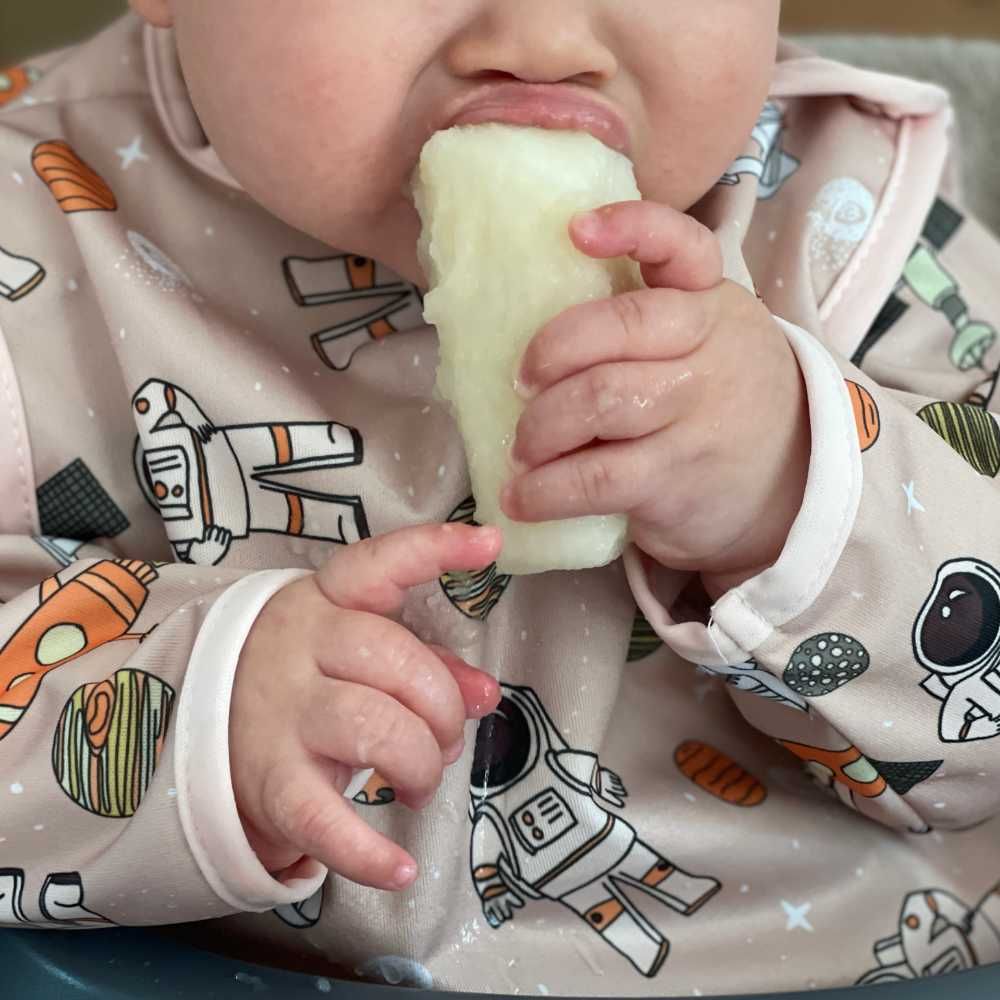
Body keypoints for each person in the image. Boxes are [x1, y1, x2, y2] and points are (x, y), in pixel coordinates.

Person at [1, 1, 999, 994]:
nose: (543, 42)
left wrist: (800, 478)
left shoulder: (847, 214)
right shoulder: (29, 239)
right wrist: (204, 714)